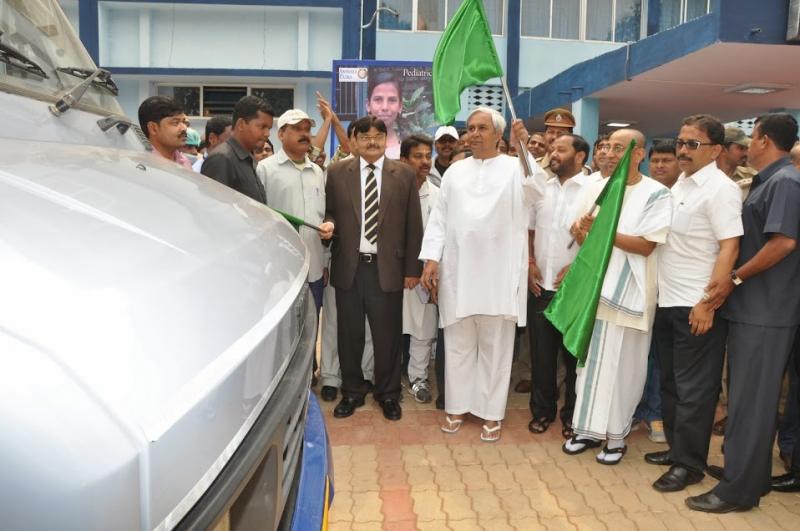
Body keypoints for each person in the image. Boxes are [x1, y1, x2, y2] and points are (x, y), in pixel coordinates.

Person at [686, 113, 800, 513]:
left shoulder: (785, 182)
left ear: (764, 140)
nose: (749, 144)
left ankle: (738, 491)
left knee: (752, 402)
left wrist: (734, 278)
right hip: (755, 308)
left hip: (766, 310)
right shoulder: (772, 180)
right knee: (747, 399)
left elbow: (783, 243)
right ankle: (749, 474)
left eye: (753, 137)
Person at [419, 107, 546, 443]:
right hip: (458, 272)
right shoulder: (455, 171)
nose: (473, 133)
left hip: (498, 274)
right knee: (458, 346)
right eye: (471, 128)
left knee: (495, 348)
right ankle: (457, 407)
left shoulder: (515, 167)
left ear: (498, 135)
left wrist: (523, 148)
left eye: (482, 128)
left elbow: (538, 191)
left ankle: (492, 413)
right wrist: (431, 258)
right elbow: (439, 218)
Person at [563, 128, 672, 465]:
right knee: (589, 366)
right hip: (595, 292)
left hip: (631, 296)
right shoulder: (596, 187)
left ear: (639, 154)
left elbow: (647, 245)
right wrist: (582, 232)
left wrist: (601, 232)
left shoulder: (656, 193)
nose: (610, 153)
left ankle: (616, 437)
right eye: (608, 146)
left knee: (624, 368)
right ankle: (586, 430)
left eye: (619, 148)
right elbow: (583, 239)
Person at [646, 115, 742, 493]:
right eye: (680, 142)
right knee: (671, 384)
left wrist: (707, 303)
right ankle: (677, 450)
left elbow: (729, 247)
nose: (682, 150)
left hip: (696, 306)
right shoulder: (681, 184)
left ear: (715, 150)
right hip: (667, 300)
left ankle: (690, 466)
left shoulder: (721, 189)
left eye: (692, 144)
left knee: (694, 391)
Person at [324, 116, 423, 421]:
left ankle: (388, 394)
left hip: (387, 268)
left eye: (378, 136)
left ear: (386, 139)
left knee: (387, 337)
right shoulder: (337, 172)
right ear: (354, 140)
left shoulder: (404, 174)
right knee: (349, 335)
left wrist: (412, 269)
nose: (372, 142)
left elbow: (414, 225)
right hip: (350, 268)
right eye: (365, 136)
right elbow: (331, 212)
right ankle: (352, 392)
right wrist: (329, 226)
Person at [526, 134, 596, 439]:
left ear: (579, 156)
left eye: (560, 149)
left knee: (573, 359)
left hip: (575, 291)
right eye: (552, 149)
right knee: (541, 357)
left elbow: (599, 240)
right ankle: (542, 412)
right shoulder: (541, 187)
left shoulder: (595, 190)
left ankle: (573, 417)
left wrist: (578, 268)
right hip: (540, 287)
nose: (553, 153)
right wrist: (529, 262)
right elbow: (529, 230)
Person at [631, 139, 682, 444]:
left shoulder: (682, 195)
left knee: (660, 360)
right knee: (639, 355)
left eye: (667, 160)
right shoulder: (642, 193)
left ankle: (655, 413)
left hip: (672, 291)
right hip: (640, 285)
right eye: (656, 160)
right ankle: (634, 409)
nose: (660, 166)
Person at [257, 109, 327, 315]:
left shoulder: (317, 171)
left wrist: (324, 262)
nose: (304, 134)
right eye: (297, 129)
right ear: (281, 134)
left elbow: (320, 217)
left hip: (314, 268)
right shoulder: (265, 169)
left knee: (311, 327)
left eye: (307, 129)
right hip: (280, 271)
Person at [399, 135, 439, 403]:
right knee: (389, 328)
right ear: (404, 160)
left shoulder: (438, 195)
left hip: (425, 274)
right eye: (418, 156)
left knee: (423, 330)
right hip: (394, 274)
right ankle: (386, 378)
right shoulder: (390, 191)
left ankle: (418, 378)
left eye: (428, 156)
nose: (425, 162)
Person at [201, 96, 274, 203]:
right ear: (241, 125)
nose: (267, 134)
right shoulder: (221, 159)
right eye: (262, 127)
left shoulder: (247, 158)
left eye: (269, 129)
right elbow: (214, 207)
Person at [137, 95, 192, 170]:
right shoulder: (141, 166)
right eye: (175, 122)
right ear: (153, 128)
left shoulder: (184, 162)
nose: (184, 128)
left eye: (184, 122)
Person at [366, 71, 403, 159]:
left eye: (392, 100)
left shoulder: (407, 151)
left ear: (400, 106)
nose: (385, 107)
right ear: (368, 105)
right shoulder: (355, 149)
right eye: (378, 99)